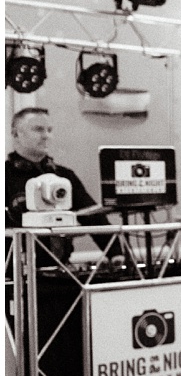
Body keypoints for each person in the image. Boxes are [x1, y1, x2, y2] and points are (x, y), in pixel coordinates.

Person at [6, 107, 111, 262]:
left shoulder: (64, 176)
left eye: (49, 130)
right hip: (14, 270)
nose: (46, 136)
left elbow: (93, 216)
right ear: (16, 134)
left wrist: (116, 253)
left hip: (62, 268)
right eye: (38, 129)